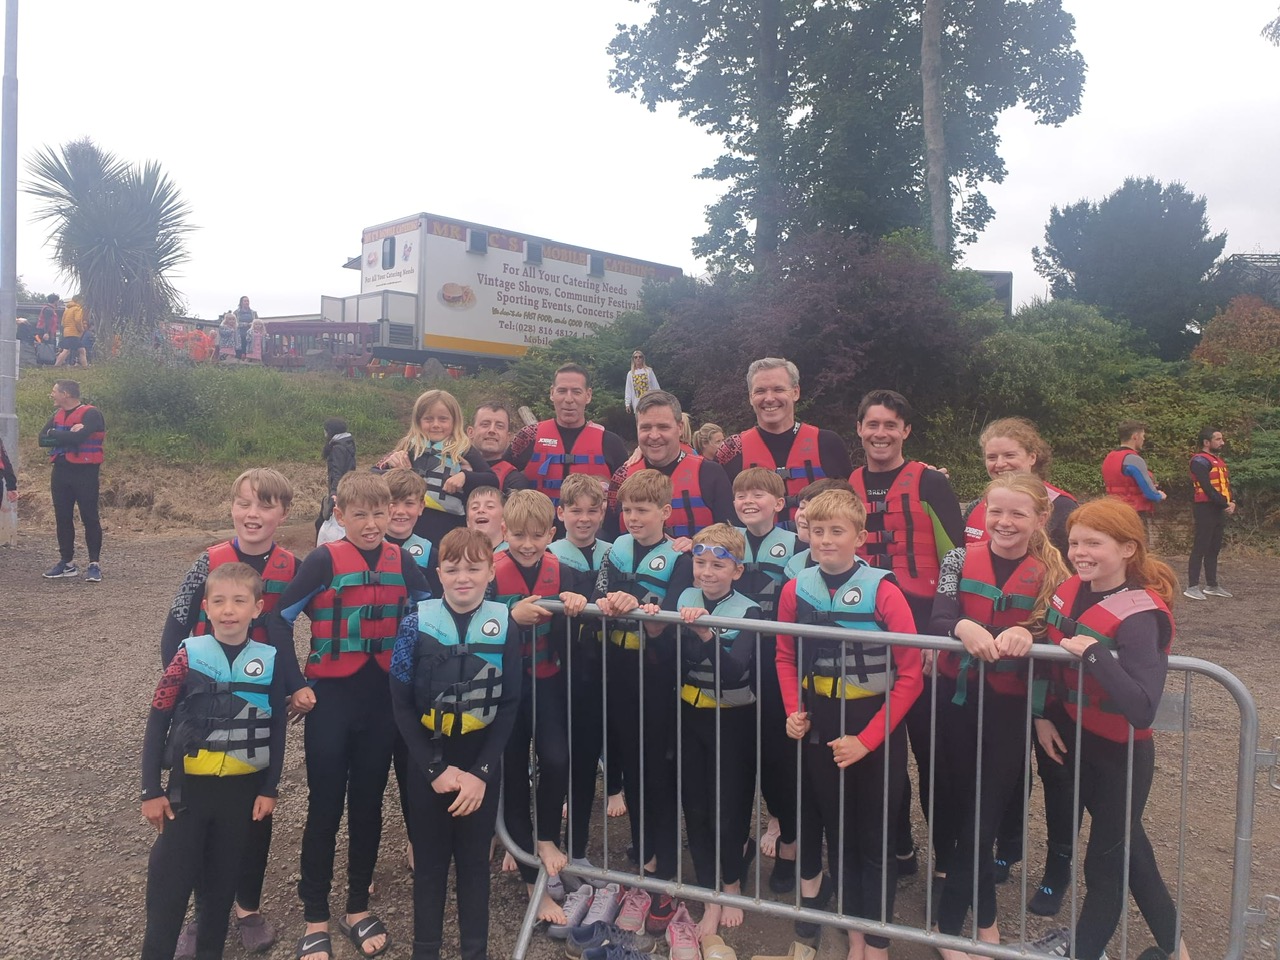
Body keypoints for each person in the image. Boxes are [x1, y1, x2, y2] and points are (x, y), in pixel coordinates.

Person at [268, 472, 431, 960]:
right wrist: (296, 684)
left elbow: (430, 616)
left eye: (379, 513)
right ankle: (314, 916)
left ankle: (357, 906)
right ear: (339, 516)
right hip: (330, 701)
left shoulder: (402, 560)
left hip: (381, 701)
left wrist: (417, 681)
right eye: (360, 514)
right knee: (324, 808)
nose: (372, 523)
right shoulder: (322, 559)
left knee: (367, 806)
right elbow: (279, 619)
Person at [1031, 498, 1191, 960]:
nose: (1080, 552)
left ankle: (1083, 952)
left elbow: (1143, 707)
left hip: (1121, 755)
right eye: (1075, 542)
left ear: (1126, 549)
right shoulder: (1070, 590)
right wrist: (1042, 716)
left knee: (1104, 864)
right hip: (1075, 738)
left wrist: (1094, 654)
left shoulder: (1141, 614)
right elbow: (1046, 655)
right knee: (1132, 855)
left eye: (1093, 543)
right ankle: (1178, 951)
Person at [157, 468, 305, 954]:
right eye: (244, 504)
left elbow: (323, 623)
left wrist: (300, 686)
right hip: (205, 704)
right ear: (232, 508)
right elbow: (175, 626)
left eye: (264, 506)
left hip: (261, 705)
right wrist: (184, 690)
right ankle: (203, 914)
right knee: (199, 813)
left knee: (254, 813)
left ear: (282, 514)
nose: (253, 514)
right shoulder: (207, 562)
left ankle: (247, 905)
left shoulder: (295, 565)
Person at [775, 489, 923, 960]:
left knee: (874, 836)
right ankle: (850, 929)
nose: (825, 540)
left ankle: (875, 940)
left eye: (836, 531)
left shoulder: (885, 591)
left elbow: (911, 673)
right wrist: (792, 709)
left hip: (873, 726)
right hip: (821, 724)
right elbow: (784, 654)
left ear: (859, 537)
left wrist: (867, 740)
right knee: (837, 832)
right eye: (817, 531)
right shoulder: (794, 588)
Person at [928, 473, 1070, 957]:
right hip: (954, 702)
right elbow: (939, 616)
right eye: (995, 512)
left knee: (984, 819)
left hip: (1009, 710)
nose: (1004, 522)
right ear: (982, 513)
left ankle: (951, 928)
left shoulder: (1054, 575)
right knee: (962, 812)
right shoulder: (956, 558)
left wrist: (1032, 637)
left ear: (1040, 519)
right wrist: (964, 625)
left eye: (1017, 513)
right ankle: (983, 925)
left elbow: (1056, 640)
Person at [139, 563, 287, 960]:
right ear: (205, 607)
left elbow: (276, 729)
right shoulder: (187, 656)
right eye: (219, 601)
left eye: (239, 601)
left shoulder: (270, 661)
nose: (228, 610)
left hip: (240, 797)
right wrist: (150, 790)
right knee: (167, 899)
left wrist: (270, 788)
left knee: (218, 901)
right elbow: (158, 719)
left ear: (257, 608)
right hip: (187, 796)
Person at [390, 527, 523, 960]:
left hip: (481, 763)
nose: (462, 577)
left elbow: (509, 704)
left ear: (490, 572)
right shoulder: (414, 623)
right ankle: (424, 949)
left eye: (473, 567)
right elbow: (401, 704)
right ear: (439, 573)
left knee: (472, 866)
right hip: (430, 760)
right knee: (428, 866)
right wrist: (434, 769)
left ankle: (474, 951)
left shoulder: (505, 624)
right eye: (452, 569)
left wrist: (482, 774)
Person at [848, 388, 964, 879]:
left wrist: (940, 632)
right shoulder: (849, 482)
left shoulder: (930, 482)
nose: (880, 433)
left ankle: (947, 858)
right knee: (881, 751)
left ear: (905, 431)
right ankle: (898, 847)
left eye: (890, 425)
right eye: (872, 424)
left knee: (933, 755)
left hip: (924, 638)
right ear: (859, 428)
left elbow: (958, 559)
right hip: (870, 637)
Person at [489, 490, 589, 922]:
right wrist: (511, 617)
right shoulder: (489, 575)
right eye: (517, 536)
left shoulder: (564, 570)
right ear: (504, 532)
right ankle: (533, 881)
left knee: (555, 760)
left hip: (547, 683)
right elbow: (475, 618)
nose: (527, 544)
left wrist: (577, 604)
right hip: (507, 690)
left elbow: (585, 608)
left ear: (551, 532)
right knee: (512, 774)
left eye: (535, 535)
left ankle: (547, 837)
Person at [671, 524, 763, 939]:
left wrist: (705, 632)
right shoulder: (684, 598)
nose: (707, 572)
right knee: (696, 804)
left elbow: (735, 672)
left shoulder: (750, 611)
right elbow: (671, 659)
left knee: (729, 805)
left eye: (718, 565)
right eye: (700, 562)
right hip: (691, 717)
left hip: (733, 719)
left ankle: (731, 884)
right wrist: (658, 624)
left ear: (736, 571)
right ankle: (710, 889)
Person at [593, 469, 685, 880]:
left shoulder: (681, 559)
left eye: (643, 510)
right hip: (619, 670)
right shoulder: (615, 552)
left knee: (658, 768)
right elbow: (600, 594)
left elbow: (676, 612)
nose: (633, 517)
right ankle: (641, 845)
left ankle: (663, 857)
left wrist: (640, 607)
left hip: (658, 675)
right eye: (627, 509)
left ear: (664, 511)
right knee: (631, 762)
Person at [548, 473, 624, 874]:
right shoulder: (548, 554)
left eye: (592, 510)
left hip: (606, 670)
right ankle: (546, 845)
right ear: (560, 513)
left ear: (603, 512)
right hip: (560, 673)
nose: (584, 518)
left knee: (589, 757)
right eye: (574, 510)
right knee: (558, 759)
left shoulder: (618, 553)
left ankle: (577, 849)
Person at [730, 467, 799, 892]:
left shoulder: (797, 545)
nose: (748, 500)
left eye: (758, 493)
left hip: (778, 666)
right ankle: (738, 842)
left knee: (780, 761)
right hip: (734, 662)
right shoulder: (723, 541)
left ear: (779, 503)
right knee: (738, 759)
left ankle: (790, 845)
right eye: (741, 495)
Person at [715, 358, 852, 526]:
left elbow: (851, 510)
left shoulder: (828, 443)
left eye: (778, 389)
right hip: (755, 550)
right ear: (751, 397)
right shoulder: (732, 451)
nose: (769, 398)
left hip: (818, 548)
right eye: (760, 391)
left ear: (795, 392)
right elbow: (722, 520)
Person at [608, 391, 734, 539]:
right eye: (646, 428)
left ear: (680, 428)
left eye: (663, 427)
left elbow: (733, 538)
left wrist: (696, 545)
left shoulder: (710, 474)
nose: (654, 436)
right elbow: (609, 538)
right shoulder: (621, 477)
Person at [376, 390, 497, 544]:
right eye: (428, 419)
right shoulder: (407, 446)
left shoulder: (464, 448)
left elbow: (492, 480)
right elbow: (372, 474)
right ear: (418, 421)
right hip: (409, 522)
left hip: (449, 525)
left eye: (443, 419)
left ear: (454, 421)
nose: (436, 425)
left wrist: (465, 476)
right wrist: (393, 470)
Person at [509, 363, 630, 508]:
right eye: (562, 391)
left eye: (576, 392)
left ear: (588, 395)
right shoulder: (528, 437)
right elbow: (499, 472)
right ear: (552, 393)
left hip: (591, 528)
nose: (569, 399)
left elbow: (630, 494)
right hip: (538, 527)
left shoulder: (611, 443)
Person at [964, 417, 1077, 558]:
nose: (999, 464)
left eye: (1009, 455)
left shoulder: (1062, 507)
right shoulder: (975, 508)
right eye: (992, 457)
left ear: (1032, 457)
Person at [39, 379, 105, 581]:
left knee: (89, 517)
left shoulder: (91, 414)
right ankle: (66, 563)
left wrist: (56, 434)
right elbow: (42, 439)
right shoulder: (57, 415)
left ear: (66, 394)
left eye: (55, 391)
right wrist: (61, 433)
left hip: (85, 472)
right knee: (63, 517)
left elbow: (80, 439)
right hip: (61, 471)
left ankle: (94, 564)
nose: (52, 395)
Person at [1185, 427, 1235, 601]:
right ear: (1206, 442)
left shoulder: (1218, 461)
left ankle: (1212, 585)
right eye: (1218, 439)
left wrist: (1231, 502)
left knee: (1214, 548)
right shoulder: (1199, 461)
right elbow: (1207, 487)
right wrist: (1224, 503)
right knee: (1201, 546)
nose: (1222, 442)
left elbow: (1225, 486)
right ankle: (1192, 586)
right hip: (1205, 508)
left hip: (1218, 508)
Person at [1102, 421, 1166, 533]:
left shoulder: (1109, 457)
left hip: (1112, 511)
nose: (1144, 439)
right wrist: (1159, 495)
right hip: (1133, 512)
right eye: (1143, 436)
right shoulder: (1134, 459)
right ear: (1135, 436)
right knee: (1139, 546)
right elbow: (1150, 493)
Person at [466, 402, 530, 495]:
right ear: (470, 432)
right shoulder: (451, 466)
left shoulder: (516, 481)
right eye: (485, 424)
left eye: (499, 426)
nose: (492, 430)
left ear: (509, 437)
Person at [318, 418, 356, 534]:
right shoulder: (347, 443)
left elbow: (337, 472)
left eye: (325, 430)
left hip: (340, 489)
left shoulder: (338, 448)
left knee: (321, 522)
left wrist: (334, 492)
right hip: (348, 486)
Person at [54, 296, 89, 368]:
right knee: (69, 351)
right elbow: (78, 320)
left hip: (67, 332)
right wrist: (81, 329)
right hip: (74, 333)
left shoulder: (67, 310)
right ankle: (85, 367)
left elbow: (62, 322)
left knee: (74, 350)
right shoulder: (78, 309)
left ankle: (57, 365)